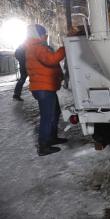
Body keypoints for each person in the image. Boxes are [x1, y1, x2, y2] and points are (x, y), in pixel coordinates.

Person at [25, 24, 67, 156]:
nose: (46, 36)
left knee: (55, 112)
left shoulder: (37, 46)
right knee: (47, 116)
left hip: (45, 86)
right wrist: (64, 49)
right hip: (43, 88)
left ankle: (51, 138)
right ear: (37, 35)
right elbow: (51, 60)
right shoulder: (36, 47)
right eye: (43, 34)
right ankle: (43, 146)